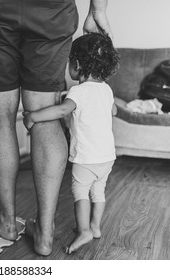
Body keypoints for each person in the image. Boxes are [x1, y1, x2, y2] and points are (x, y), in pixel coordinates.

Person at [0, 0, 112, 256]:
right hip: (51, 9)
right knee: (46, 111)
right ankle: (44, 232)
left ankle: (7, 222)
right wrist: (97, 10)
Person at [23, 32, 120, 254]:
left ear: (76, 64)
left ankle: (84, 230)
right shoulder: (106, 89)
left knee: (80, 192)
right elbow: (113, 110)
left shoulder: (78, 91)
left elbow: (62, 109)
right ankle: (95, 227)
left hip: (87, 158)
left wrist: (33, 116)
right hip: (107, 157)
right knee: (98, 191)